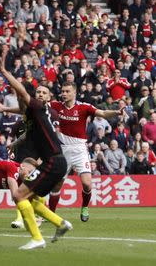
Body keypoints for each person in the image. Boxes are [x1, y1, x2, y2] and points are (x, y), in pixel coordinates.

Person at [0, 64, 72, 250]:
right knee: (31, 199)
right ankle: (60, 223)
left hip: (52, 161)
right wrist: (5, 108)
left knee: (19, 195)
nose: (40, 95)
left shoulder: (38, 108)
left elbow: (22, 94)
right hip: (55, 161)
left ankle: (37, 238)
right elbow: (22, 110)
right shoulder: (33, 112)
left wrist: (5, 73)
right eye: (38, 92)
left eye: (43, 92)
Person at [48, 82, 123, 221]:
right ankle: (50, 213)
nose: (63, 93)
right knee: (57, 184)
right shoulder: (56, 106)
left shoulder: (84, 107)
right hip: (63, 151)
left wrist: (117, 112)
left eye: (67, 91)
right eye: (62, 91)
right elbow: (33, 109)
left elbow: (103, 113)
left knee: (88, 183)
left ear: (74, 92)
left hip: (80, 150)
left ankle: (85, 207)